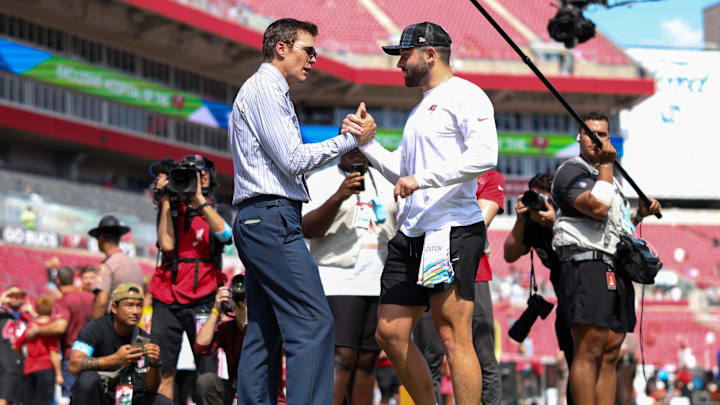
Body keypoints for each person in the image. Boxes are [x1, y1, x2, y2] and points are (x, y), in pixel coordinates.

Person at [343, 22, 498, 405]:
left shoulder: (466, 95)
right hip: (412, 234)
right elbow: (402, 170)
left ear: (430, 54)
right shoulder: (420, 110)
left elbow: (484, 157)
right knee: (389, 334)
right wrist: (368, 144)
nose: (399, 64)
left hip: (451, 230)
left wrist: (422, 179)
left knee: (452, 336)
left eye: (404, 55)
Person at [229, 17, 374, 405]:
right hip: (272, 216)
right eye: (308, 50)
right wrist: (349, 140)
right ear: (282, 48)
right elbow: (294, 159)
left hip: (264, 216)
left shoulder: (267, 89)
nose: (314, 58)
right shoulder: (266, 88)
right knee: (314, 321)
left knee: (265, 328)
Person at [551, 111, 662, 405]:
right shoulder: (570, 172)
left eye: (603, 134)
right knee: (590, 349)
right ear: (579, 138)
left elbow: (617, 226)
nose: (597, 139)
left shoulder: (610, 177)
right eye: (591, 133)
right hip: (586, 264)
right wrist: (606, 165)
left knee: (611, 350)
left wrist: (639, 214)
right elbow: (597, 207)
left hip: (615, 268)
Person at [302, 148, 397, 405]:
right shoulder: (321, 179)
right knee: (342, 357)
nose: (357, 154)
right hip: (337, 279)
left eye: (363, 148)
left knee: (367, 360)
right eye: (351, 148)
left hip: (378, 280)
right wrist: (339, 196)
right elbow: (307, 228)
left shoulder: (385, 181)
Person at [412, 169, 505, 404]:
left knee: (483, 353)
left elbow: (479, 221)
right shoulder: (427, 170)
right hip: (430, 268)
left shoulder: (488, 175)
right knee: (430, 354)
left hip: (474, 272)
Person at [150, 154, 233, 401]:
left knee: (206, 370)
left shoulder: (219, 209)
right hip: (168, 297)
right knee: (164, 369)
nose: (199, 176)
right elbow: (166, 244)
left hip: (205, 298)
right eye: (192, 173)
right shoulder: (172, 209)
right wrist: (165, 200)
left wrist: (198, 199)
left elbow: (226, 235)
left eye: (203, 172)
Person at [503, 173, 574, 404]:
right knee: (573, 360)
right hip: (564, 299)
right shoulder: (532, 226)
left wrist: (554, 222)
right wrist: (521, 220)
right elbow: (509, 254)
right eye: (534, 196)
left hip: (583, 293)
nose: (538, 203)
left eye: (544, 198)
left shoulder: (570, 218)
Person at [68, 283, 170, 405]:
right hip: (101, 398)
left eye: (139, 306)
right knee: (87, 379)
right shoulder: (95, 329)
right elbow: (74, 365)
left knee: (162, 402)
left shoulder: (143, 338)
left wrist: (155, 364)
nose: (136, 311)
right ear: (114, 308)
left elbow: (151, 389)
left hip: (128, 398)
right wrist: (115, 359)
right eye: (129, 305)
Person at [26, 266, 94, 404]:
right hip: (94, 355)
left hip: (73, 356)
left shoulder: (64, 300)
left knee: (70, 398)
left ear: (57, 281)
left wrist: (37, 330)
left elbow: (60, 326)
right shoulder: (91, 297)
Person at [193, 275, 257, 405]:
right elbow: (200, 347)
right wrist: (216, 309)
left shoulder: (264, 326)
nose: (240, 296)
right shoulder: (227, 328)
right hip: (234, 389)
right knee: (205, 382)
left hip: (263, 391)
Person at [90, 215, 144, 319]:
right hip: (131, 325)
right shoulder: (135, 265)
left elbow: (102, 302)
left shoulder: (107, 265)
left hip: (112, 325)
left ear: (100, 239)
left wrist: (92, 331)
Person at [13, 296, 62, 405]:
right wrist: (59, 374)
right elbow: (53, 352)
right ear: (51, 310)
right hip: (46, 369)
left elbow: (16, 345)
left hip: (29, 369)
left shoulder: (30, 326)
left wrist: (24, 356)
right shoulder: (50, 328)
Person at [0, 286, 31, 405]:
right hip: (4, 367)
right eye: (11, 295)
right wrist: (2, 299)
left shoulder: (27, 318)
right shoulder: (2, 315)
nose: (15, 299)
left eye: (18, 296)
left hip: (23, 367)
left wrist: (31, 311)